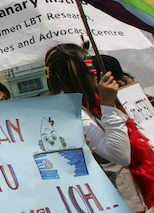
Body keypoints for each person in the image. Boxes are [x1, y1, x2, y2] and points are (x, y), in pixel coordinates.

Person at [45, 44, 150, 211]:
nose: (95, 71)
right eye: (88, 65)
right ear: (78, 73)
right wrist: (108, 105)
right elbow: (119, 155)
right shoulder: (71, 113)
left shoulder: (85, 105)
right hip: (115, 205)